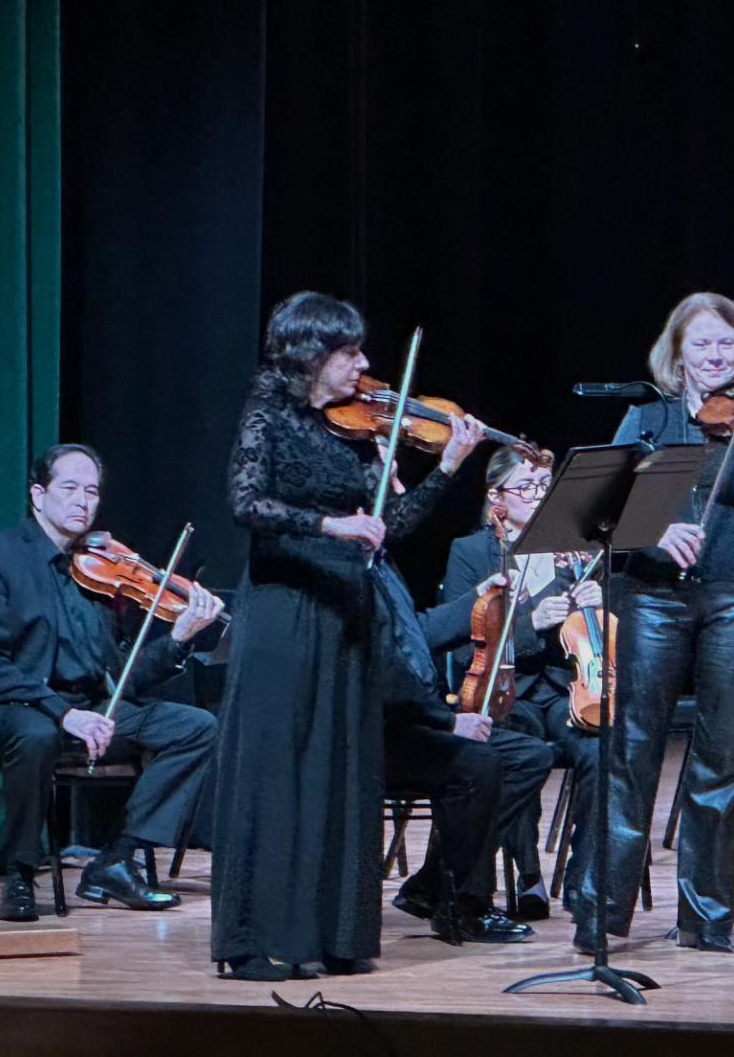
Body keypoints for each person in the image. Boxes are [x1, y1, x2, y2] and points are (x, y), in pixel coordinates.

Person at [210, 291, 486, 981]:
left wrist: (449, 466)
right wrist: (330, 526)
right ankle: (255, 938)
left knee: (339, 769)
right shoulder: (268, 415)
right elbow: (246, 504)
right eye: (350, 353)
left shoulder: (346, 430)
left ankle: (332, 932)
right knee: (279, 769)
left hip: (346, 610)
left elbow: (388, 524)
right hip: (284, 607)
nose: (363, 366)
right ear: (312, 355)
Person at [565, 292, 734, 955]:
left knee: (723, 756)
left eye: (727, 345)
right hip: (649, 595)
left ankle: (705, 920)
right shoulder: (646, 416)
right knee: (630, 751)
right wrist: (653, 533)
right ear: (676, 353)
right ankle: (600, 914)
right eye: (702, 345)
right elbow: (602, 510)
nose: (715, 357)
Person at [0, 444, 222, 924]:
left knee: (196, 726)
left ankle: (117, 858)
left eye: (92, 491)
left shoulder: (99, 572)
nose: (83, 501)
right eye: (70, 488)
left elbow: (122, 680)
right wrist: (62, 712)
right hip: (15, 708)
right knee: (35, 734)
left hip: (88, 709)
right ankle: (19, 873)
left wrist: (179, 639)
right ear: (39, 495)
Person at [439, 446, 602, 919]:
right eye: (528, 486)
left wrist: (600, 600)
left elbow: (610, 633)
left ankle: (584, 879)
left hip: (567, 687)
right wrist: (530, 624)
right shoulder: (471, 553)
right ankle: (527, 876)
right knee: (514, 744)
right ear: (498, 497)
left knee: (601, 748)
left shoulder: (580, 549)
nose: (541, 495)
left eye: (546, 486)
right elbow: (465, 642)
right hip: (507, 690)